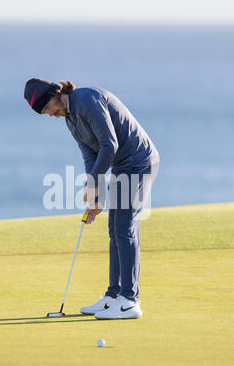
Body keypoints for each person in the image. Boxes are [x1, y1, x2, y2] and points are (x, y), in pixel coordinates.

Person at [24, 78, 160, 320]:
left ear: (55, 95)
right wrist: (96, 195)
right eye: (44, 113)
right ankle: (113, 296)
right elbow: (90, 155)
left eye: (48, 108)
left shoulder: (86, 100)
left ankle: (129, 301)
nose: (50, 114)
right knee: (114, 229)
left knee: (124, 229)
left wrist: (92, 184)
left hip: (139, 163)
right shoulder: (70, 119)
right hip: (123, 165)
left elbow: (110, 145)